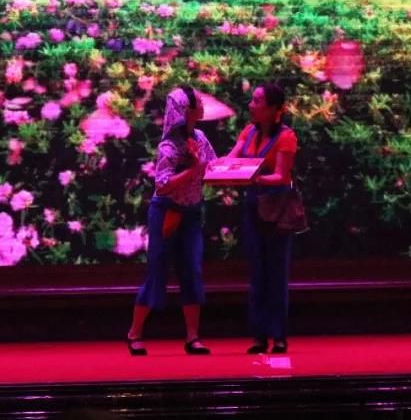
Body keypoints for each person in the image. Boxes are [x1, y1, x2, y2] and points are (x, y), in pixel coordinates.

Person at [127, 85, 217, 356]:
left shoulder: (200, 137)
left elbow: (213, 166)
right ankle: (135, 332)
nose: (202, 105)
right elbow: (163, 185)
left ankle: (193, 336)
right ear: (187, 111)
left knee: (192, 269)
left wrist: (239, 170)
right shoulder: (169, 146)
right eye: (198, 102)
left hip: (191, 213)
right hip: (167, 212)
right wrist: (194, 170)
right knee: (158, 270)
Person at [226, 82, 299, 354]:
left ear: (273, 108)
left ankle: (278, 335)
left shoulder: (286, 137)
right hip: (253, 207)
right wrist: (214, 166)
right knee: (257, 273)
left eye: (257, 101)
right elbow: (231, 159)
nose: (251, 105)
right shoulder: (248, 132)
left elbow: (281, 175)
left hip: (277, 210)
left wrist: (253, 177)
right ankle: (258, 336)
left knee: (276, 273)